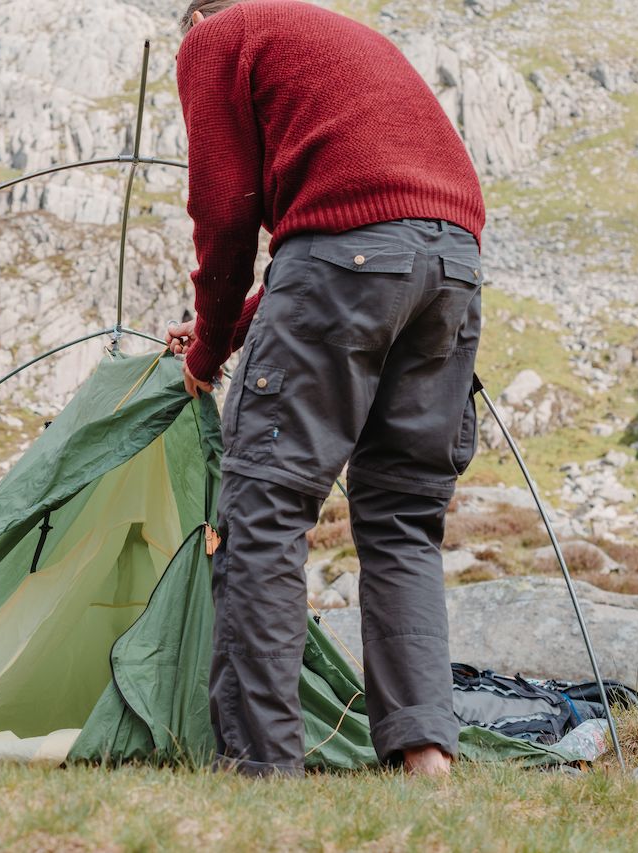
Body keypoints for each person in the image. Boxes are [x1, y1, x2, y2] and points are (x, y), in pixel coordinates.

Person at [166, 0, 485, 776]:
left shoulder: (218, 34)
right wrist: (232, 329)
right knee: (403, 518)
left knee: (266, 505)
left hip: (351, 261)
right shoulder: (331, 33)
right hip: (452, 266)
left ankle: (263, 765)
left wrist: (205, 350)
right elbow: (366, 236)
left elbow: (227, 212)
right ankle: (427, 760)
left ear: (198, 15)